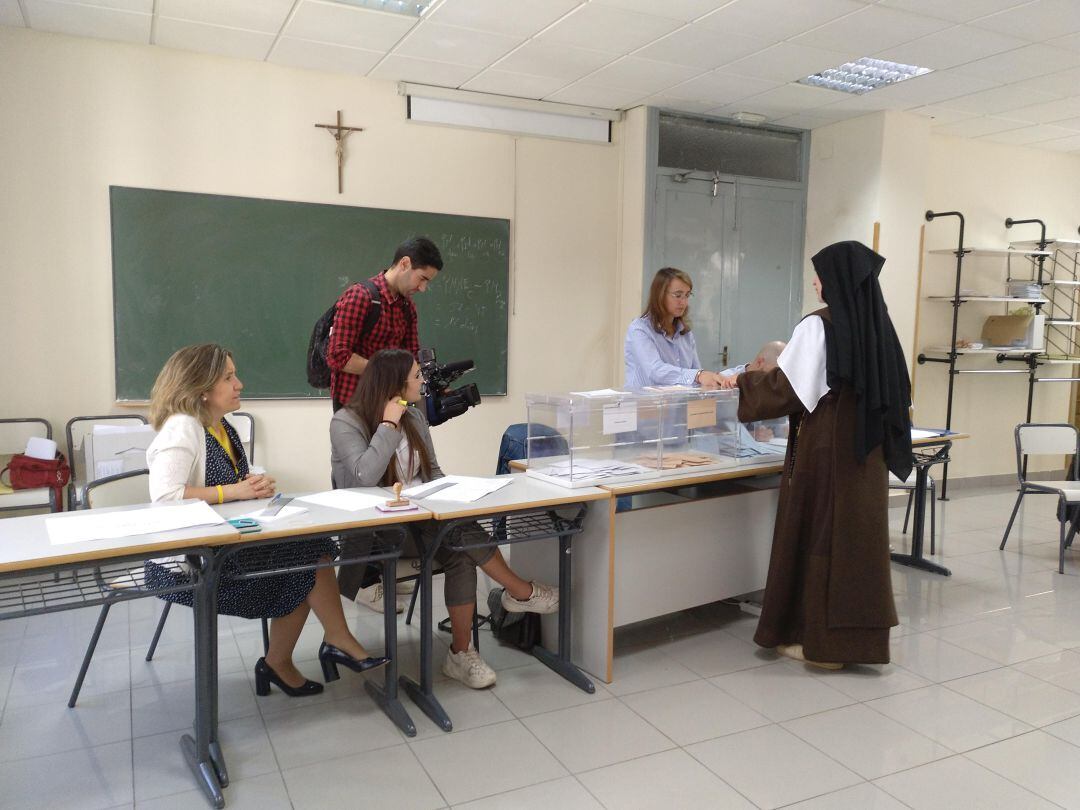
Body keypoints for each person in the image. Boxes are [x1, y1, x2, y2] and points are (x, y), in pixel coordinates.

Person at [145, 343, 388, 698]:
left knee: (313, 548)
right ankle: (305, 652)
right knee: (308, 560)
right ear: (201, 389)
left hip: (226, 544)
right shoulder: (182, 427)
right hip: (190, 565)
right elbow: (167, 496)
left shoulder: (221, 426)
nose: (239, 383)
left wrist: (255, 481)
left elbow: (230, 477)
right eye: (228, 377)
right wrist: (235, 492)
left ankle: (315, 647)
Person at [330, 349, 559, 689]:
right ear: (394, 383)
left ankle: (461, 654)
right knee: (458, 536)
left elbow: (433, 474)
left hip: (424, 523)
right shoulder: (346, 422)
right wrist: (389, 424)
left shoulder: (416, 416)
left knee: (460, 552)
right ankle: (519, 592)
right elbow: (364, 476)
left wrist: (458, 492)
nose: (423, 382)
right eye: (416, 376)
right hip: (377, 532)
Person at [734, 241, 911, 669]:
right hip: (865, 455)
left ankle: (822, 646)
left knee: (819, 534)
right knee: (856, 542)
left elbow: (788, 389)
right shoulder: (878, 325)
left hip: (826, 448)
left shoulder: (819, 326)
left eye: (820, 274)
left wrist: (742, 383)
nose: (816, 283)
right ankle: (854, 644)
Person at [326, 236, 444, 613]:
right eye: (422, 279)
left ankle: (379, 572)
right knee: (362, 491)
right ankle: (362, 582)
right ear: (405, 264)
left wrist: (417, 395)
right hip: (357, 407)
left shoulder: (407, 308)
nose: (423, 288)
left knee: (398, 482)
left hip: (397, 404)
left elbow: (410, 359)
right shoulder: (360, 297)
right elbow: (338, 355)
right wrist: (384, 371)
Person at [625, 267, 726, 389]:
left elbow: (697, 372)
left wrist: (714, 379)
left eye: (687, 295)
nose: (683, 302)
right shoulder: (639, 329)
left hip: (679, 405)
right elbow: (655, 371)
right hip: (645, 406)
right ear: (660, 295)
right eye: (678, 295)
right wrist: (698, 375)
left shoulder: (685, 333)